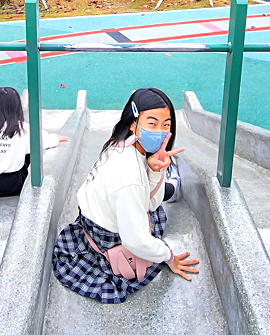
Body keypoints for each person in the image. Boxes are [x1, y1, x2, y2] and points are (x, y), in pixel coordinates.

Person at [52, 88, 199, 303]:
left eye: (166, 125)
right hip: (111, 240)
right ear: (134, 123)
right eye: (152, 123)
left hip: (89, 224)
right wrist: (170, 257)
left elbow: (149, 202)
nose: (160, 131)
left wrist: (155, 170)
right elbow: (136, 240)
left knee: (155, 207)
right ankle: (173, 186)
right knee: (156, 218)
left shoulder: (118, 144)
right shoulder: (129, 177)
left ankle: (169, 182)